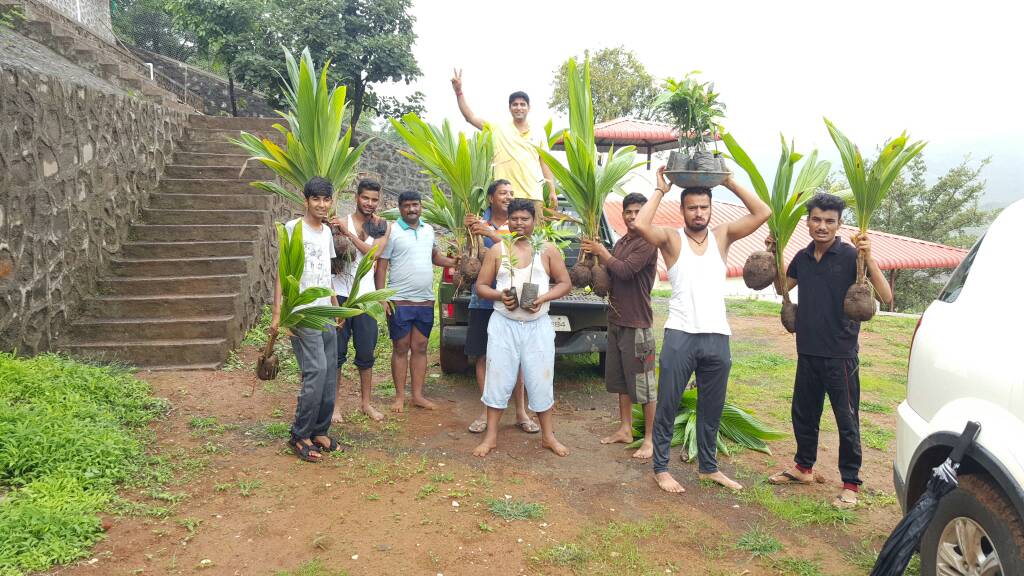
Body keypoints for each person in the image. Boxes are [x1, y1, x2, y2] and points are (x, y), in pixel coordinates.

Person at [634, 167, 770, 493]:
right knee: (668, 403)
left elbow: (762, 212)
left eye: (704, 207)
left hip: (717, 335)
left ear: (711, 208)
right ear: (682, 210)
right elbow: (640, 225)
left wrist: (729, 181)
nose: (699, 213)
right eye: (692, 207)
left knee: (712, 406)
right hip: (680, 334)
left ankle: (709, 468)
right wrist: (660, 190)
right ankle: (661, 468)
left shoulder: (722, 236)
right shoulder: (672, 239)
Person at [768, 193, 892, 509]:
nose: (822, 226)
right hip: (807, 350)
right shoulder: (802, 257)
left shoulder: (852, 257)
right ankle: (803, 468)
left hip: (841, 355)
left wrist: (870, 257)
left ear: (839, 224)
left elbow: (886, 295)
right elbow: (782, 288)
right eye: (816, 219)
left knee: (846, 421)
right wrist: (773, 253)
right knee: (803, 414)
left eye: (829, 221)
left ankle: (851, 483)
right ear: (808, 222)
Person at [472, 199, 572, 457]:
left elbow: (565, 283)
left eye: (525, 219)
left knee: (541, 380)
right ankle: (491, 436)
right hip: (503, 325)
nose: (519, 223)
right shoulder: (498, 250)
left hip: (537, 326)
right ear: (508, 220)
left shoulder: (546, 250)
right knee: (497, 379)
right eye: (514, 218)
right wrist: (499, 295)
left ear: (534, 221)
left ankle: (548, 436)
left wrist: (543, 298)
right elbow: (481, 286)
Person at [580, 193, 659, 458]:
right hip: (615, 320)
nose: (633, 216)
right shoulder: (623, 241)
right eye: (628, 212)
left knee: (644, 385)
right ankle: (625, 429)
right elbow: (611, 274)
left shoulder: (648, 242)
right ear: (623, 214)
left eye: (638, 212)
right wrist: (591, 264)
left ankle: (650, 439)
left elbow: (625, 271)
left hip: (637, 323)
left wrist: (602, 252)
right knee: (621, 381)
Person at [272, 177, 341, 462]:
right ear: (306, 201)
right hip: (302, 312)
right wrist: (278, 314)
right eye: (316, 199)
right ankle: (300, 435)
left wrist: (336, 306)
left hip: (325, 312)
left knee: (329, 373)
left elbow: (326, 273)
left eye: (326, 199)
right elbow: (282, 272)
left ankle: (319, 430)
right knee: (316, 372)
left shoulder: (326, 233)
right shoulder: (293, 229)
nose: (321, 205)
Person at [463, 179, 539, 435]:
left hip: (515, 303)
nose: (508, 197)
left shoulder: (519, 222)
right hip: (483, 301)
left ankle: (521, 412)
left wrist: (489, 234)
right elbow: (468, 254)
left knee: (517, 360)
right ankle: (486, 411)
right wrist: (468, 232)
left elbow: (519, 250)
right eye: (503, 193)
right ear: (490, 198)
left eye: (511, 193)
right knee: (483, 356)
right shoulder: (477, 221)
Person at [375, 191, 459, 413]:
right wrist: (381, 296)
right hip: (399, 300)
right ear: (400, 208)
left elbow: (435, 257)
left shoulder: (428, 230)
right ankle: (399, 397)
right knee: (401, 347)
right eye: (407, 205)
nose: (412, 209)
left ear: (421, 207)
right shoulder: (392, 231)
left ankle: (418, 396)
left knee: (420, 347)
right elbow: (382, 266)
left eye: (415, 205)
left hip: (425, 300)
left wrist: (455, 262)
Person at [451, 69, 557, 210]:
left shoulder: (539, 131)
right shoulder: (498, 128)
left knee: (535, 226)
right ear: (510, 108)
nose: (519, 107)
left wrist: (552, 191)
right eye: (515, 104)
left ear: (529, 108)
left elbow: (545, 163)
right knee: (501, 226)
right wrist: (458, 92)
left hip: (532, 196)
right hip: (504, 197)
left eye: (522, 104)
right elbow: (470, 117)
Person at [330, 179, 390, 423]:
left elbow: (374, 254)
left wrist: (348, 235)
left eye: (374, 199)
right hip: (341, 295)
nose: (370, 203)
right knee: (337, 354)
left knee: (366, 353)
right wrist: (339, 231)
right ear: (356, 197)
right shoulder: (340, 222)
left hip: (366, 297)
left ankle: (366, 404)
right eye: (365, 198)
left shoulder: (382, 226)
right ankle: (335, 406)